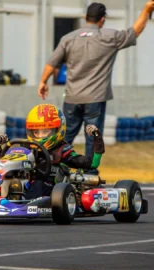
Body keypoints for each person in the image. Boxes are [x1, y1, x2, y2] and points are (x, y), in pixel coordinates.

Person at [38, 1, 154, 159]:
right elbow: (135, 32)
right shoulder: (110, 37)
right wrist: (147, 10)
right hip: (95, 98)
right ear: (102, 19)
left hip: (72, 98)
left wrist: (43, 82)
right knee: (93, 138)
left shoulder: (68, 38)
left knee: (64, 137)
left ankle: (57, 168)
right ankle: (90, 173)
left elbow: (51, 63)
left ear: (86, 17)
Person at [0, 103, 105, 199]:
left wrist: (97, 140)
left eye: (45, 131)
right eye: (36, 132)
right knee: (5, 178)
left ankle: (19, 197)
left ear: (58, 129)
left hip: (52, 189)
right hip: (26, 182)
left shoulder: (62, 151)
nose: (40, 136)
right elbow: (2, 165)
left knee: (39, 185)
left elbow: (92, 163)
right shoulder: (26, 147)